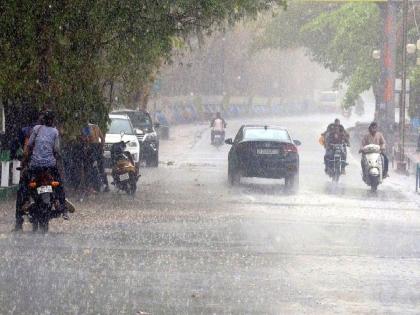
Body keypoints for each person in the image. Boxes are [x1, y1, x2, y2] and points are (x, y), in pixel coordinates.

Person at [22, 110, 69, 220]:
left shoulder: (36, 129)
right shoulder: (55, 132)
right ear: (53, 120)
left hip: (35, 165)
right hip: (50, 166)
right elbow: (56, 149)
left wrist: (25, 162)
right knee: (59, 184)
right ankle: (63, 207)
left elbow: (29, 146)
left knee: (26, 182)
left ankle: (26, 201)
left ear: (43, 120)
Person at [13, 110, 41, 231]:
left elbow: (18, 147)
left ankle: (19, 223)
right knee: (37, 193)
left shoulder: (25, 131)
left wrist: (18, 157)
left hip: (29, 166)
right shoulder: (46, 131)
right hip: (44, 167)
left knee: (21, 194)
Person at [81, 119, 109, 192]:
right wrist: (102, 147)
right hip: (98, 147)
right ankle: (106, 186)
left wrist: (86, 146)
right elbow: (102, 138)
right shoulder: (97, 127)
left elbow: (85, 139)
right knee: (101, 167)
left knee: (91, 167)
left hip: (92, 147)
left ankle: (92, 186)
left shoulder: (86, 127)